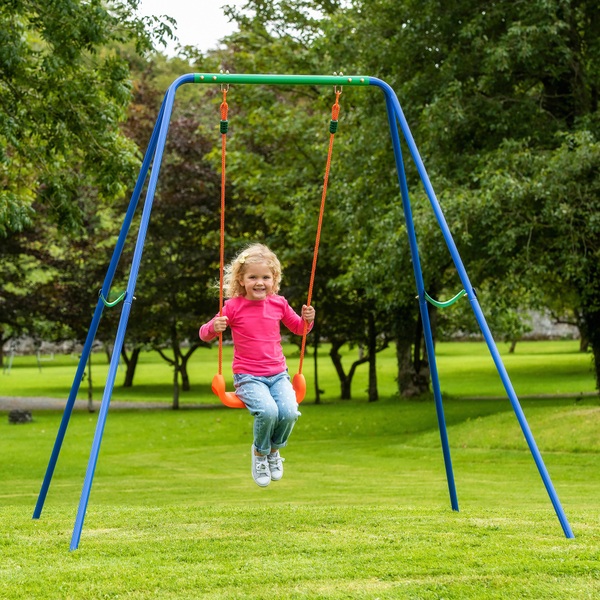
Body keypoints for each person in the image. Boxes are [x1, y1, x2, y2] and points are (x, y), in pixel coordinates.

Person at [199, 243, 315, 487]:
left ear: (274, 279)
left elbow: (299, 329)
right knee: (268, 411)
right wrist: (214, 327)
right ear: (241, 280)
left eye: (266, 277)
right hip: (248, 377)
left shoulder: (279, 303)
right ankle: (260, 454)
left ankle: (274, 451)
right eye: (253, 277)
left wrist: (308, 320)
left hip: (278, 375)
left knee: (290, 411)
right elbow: (204, 333)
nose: (259, 282)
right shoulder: (232, 307)